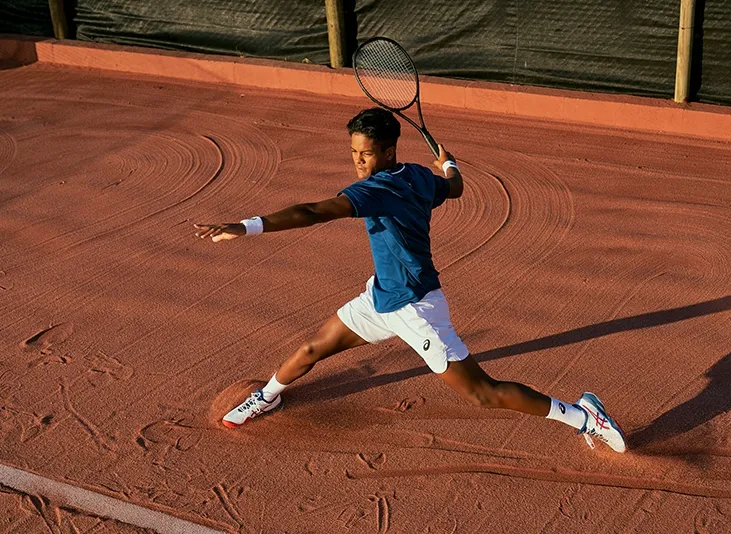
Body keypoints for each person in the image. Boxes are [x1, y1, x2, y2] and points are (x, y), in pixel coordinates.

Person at [194, 108, 626, 453]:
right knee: (313, 349)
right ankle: (268, 395)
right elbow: (453, 189)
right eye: (352, 152)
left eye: (365, 153)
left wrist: (246, 226)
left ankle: (585, 416)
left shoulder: (375, 190)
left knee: (482, 394)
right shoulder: (420, 176)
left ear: (386, 153)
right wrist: (449, 164)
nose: (356, 161)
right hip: (381, 295)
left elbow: (312, 211)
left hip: (417, 308)